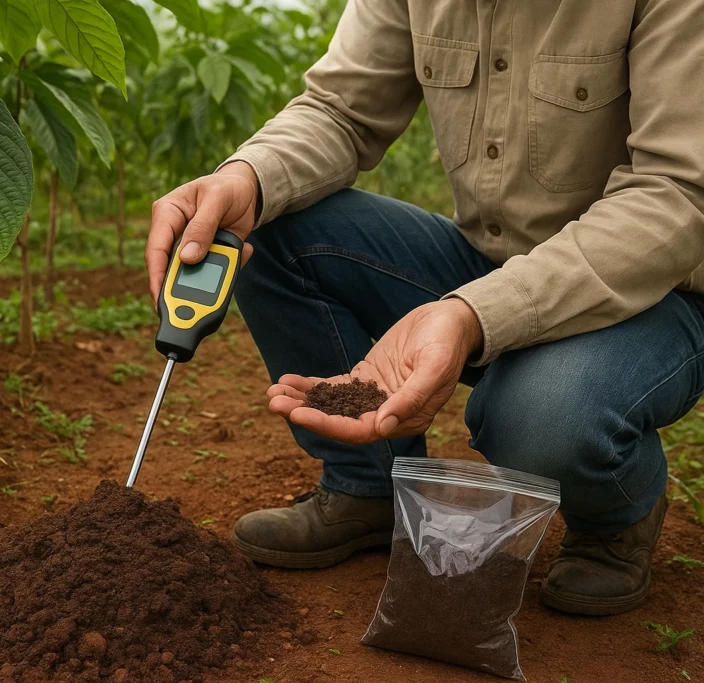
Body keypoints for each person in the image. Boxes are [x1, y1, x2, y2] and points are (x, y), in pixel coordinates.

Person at [145, 0, 704, 617]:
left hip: (654, 291)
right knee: (267, 219)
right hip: (491, 262)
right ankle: (368, 486)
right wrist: (246, 178)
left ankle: (616, 517)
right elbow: (340, 110)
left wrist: (472, 314)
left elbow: (676, 195)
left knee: (537, 416)